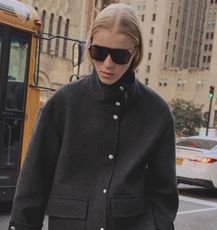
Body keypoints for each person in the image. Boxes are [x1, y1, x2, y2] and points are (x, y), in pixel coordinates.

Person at [8, 3, 178, 230]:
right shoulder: (62, 103)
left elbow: (163, 193)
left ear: (135, 53)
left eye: (119, 55)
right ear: (88, 46)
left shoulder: (157, 113)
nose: (107, 64)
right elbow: (33, 182)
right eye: (98, 52)